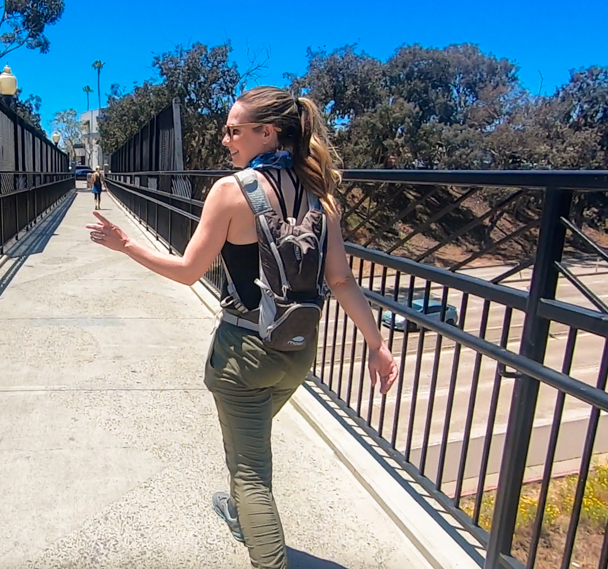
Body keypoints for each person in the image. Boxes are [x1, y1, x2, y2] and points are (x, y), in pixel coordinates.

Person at [86, 86, 399, 569]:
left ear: (266, 133)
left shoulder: (231, 191)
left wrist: (126, 245)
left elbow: (188, 270)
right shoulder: (320, 194)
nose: (225, 139)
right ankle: (237, 510)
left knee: (252, 474)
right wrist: (376, 345)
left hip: (242, 356)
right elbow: (341, 280)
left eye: (234, 131)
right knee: (245, 442)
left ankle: (258, 538)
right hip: (297, 353)